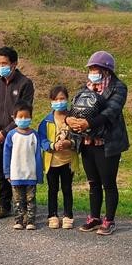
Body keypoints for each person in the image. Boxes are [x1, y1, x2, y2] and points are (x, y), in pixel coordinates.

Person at [66, 51, 129, 236]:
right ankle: (94, 217)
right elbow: (74, 109)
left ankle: (109, 220)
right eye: (91, 68)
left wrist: (89, 123)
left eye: (96, 68)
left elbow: (111, 111)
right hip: (87, 142)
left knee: (108, 183)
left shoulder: (118, 87)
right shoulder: (85, 88)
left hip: (107, 143)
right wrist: (70, 120)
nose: (92, 71)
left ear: (106, 70)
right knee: (93, 182)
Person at [0, 46, 35, 220]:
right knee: (1, 171)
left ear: (14, 63)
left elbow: (24, 112)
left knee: (19, 169)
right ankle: (3, 205)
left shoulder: (25, 83)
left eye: (4, 63)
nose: (1, 66)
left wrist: (6, 132)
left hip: (17, 135)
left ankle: (23, 207)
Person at [38, 86, 81, 229]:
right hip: (52, 162)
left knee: (67, 189)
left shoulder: (73, 119)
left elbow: (80, 138)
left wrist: (70, 143)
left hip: (68, 161)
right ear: (51, 101)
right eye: (56, 99)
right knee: (52, 189)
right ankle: (52, 215)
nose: (59, 101)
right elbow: (42, 140)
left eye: (62, 98)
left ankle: (68, 216)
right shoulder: (46, 121)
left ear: (67, 99)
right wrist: (52, 145)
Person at [4, 101, 43, 230]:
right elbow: (6, 155)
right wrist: (7, 172)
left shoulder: (34, 135)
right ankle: (19, 220)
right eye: (20, 117)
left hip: (30, 174)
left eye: (26, 116)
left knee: (30, 199)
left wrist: (39, 173)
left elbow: (38, 155)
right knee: (18, 200)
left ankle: (30, 220)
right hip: (16, 174)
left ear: (31, 117)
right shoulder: (11, 135)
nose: (23, 119)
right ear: (14, 118)